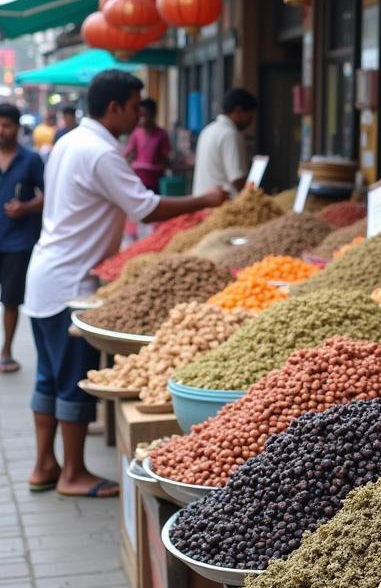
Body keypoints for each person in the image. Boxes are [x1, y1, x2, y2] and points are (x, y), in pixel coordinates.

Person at [23, 70, 227, 498]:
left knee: (48, 376)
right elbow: (145, 207)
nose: (139, 115)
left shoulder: (69, 140)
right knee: (75, 378)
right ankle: (73, 474)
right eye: (135, 106)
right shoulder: (101, 151)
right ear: (114, 107)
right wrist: (205, 201)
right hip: (70, 284)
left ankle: (44, 465)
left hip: (45, 274)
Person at [0, 104, 44, 374]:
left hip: (18, 241)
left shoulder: (31, 160)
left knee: (12, 299)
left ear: (18, 128)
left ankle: (7, 350)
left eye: (7, 125)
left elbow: (50, 195)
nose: (2, 131)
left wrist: (26, 207)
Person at [192, 88, 257, 197]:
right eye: (250, 116)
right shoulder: (230, 134)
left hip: (202, 203)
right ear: (239, 111)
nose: (251, 122)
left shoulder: (208, 130)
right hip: (221, 207)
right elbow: (237, 179)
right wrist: (255, 197)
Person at [124, 97, 171, 191]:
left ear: (153, 115)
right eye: (140, 116)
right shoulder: (135, 133)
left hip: (155, 181)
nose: (142, 119)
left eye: (145, 116)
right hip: (138, 180)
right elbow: (128, 155)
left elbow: (166, 157)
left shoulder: (161, 134)